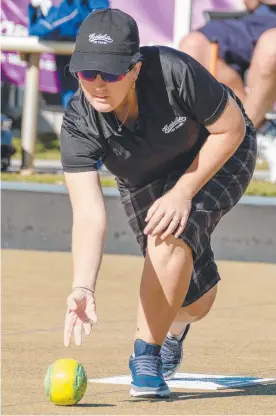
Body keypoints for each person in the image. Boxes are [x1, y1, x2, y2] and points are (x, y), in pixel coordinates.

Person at [61, 8, 257, 398]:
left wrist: (183, 192)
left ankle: (145, 356)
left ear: (134, 69)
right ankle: (173, 330)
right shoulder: (78, 123)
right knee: (193, 303)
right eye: (87, 73)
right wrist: (83, 286)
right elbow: (87, 213)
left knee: (166, 235)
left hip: (218, 150)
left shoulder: (173, 71)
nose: (98, 84)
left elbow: (230, 127)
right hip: (145, 177)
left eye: (111, 74)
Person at [179, 0, 276, 182]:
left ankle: (232, 144)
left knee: (273, 46)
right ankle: (258, 131)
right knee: (193, 44)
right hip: (255, 20)